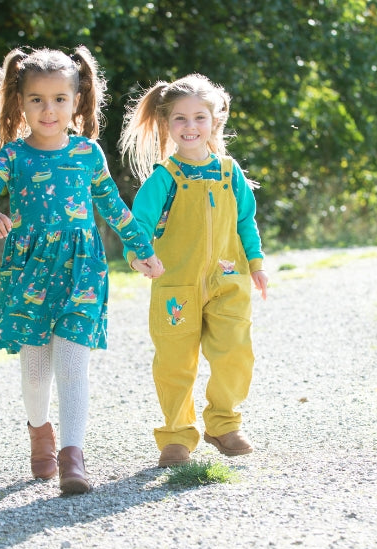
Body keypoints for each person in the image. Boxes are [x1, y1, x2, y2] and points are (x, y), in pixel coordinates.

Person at [0, 46, 164, 494]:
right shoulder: (14, 157)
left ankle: (73, 455)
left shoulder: (88, 153)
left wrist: (142, 248)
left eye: (59, 99)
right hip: (29, 272)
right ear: (21, 103)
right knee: (35, 371)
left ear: (77, 101)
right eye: (37, 99)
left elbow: (113, 206)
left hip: (82, 270)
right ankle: (41, 433)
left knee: (72, 364)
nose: (48, 109)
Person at [118, 74, 269, 468]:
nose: (190, 127)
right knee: (174, 364)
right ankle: (177, 436)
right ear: (168, 125)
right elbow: (138, 227)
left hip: (228, 282)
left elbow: (246, 221)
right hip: (176, 288)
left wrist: (256, 264)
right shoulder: (163, 178)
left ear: (214, 122)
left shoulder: (229, 172)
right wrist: (138, 256)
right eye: (180, 119)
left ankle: (223, 423)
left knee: (235, 355)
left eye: (199, 118)